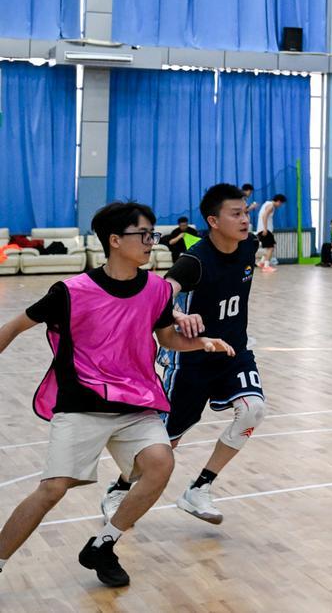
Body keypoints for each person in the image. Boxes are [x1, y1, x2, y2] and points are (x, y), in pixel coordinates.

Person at [0, 201, 232, 588]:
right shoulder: (71, 291)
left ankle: (103, 545)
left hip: (135, 404)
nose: (151, 242)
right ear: (115, 240)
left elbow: (166, 338)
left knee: (160, 463)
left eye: (153, 235)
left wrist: (201, 342)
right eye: (144, 234)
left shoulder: (156, 289)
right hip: (82, 405)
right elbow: (14, 326)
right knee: (52, 490)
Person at [102, 183, 270, 529]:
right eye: (236, 214)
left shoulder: (249, 245)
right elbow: (161, 294)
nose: (244, 220)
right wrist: (178, 315)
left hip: (234, 352)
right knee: (166, 442)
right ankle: (118, 490)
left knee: (253, 409)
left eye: (245, 213)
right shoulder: (194, 262)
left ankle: (199, 488)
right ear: (213, 221)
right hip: (192, 358)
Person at [255, 193, 286, 268]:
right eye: (281, 203)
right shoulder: (271, 206)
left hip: (263, 229)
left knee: (269, 247)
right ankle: (266, 266)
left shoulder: (267, 204)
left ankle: (261, 263)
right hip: (265, 230)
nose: (280, 205)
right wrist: (265, 229)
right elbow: (264, 216)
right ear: (278, 201)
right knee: (270, 248)